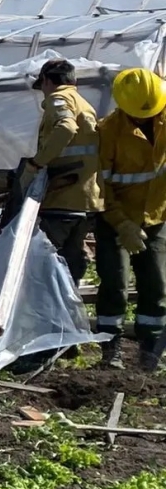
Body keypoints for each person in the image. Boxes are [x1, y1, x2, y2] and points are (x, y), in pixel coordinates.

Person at [95, 67, 166, 370]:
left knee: (157, 283)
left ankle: (151, 348)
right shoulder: (108, 131)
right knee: (115, 281)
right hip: (117, 219)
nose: (146, 118)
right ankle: (110, 347)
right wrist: (122, 223)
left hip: (158, 215)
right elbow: (100, 185)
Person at [20, 59, 102, 283]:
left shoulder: (59, 98)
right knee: (72, 259)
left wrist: (37, 163)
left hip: (61, 196)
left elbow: (66, 127)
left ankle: (46, 309)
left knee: (44, 259)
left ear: (46, 81)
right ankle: (68, 306)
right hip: (84, 198)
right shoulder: (83, 103)